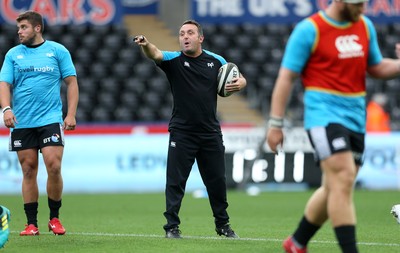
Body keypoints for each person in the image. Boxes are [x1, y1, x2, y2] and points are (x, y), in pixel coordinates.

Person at [266, 0, 400, 252]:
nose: (362, 8)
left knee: (336, 186)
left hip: (356, 118)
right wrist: (275, 123)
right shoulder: (310, 30)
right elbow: (286, 77)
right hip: (323, 116)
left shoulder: (364, 25)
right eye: (357, 4)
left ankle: (296, 243)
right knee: (343, 177)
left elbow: (376, 67)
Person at [134, 20, 246, 239]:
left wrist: (241, 83)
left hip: (210, 133)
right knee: (175, 182)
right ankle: (171, 227)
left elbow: (237, 77)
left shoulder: (217, 61)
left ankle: (223, 225)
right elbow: (155, 53)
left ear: (200, 38)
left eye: (190, 33)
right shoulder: (174, 60)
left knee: (216, 182)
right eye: (182, 33)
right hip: (182, 132)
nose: (185, 37)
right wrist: (145, 44)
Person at [0, 11, 79, 236]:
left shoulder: (57, 51)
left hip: (50, 119)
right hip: (22, 121)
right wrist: (6, 109)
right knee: (28, 169)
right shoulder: (13, 54)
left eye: (23, 27)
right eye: (18, 28)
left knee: (54, 166)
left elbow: (72, 83)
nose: (19, 32)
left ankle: (54, 218)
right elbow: (4, 84)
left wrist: (70, 114)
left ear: (37, 28)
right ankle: (31, 223)